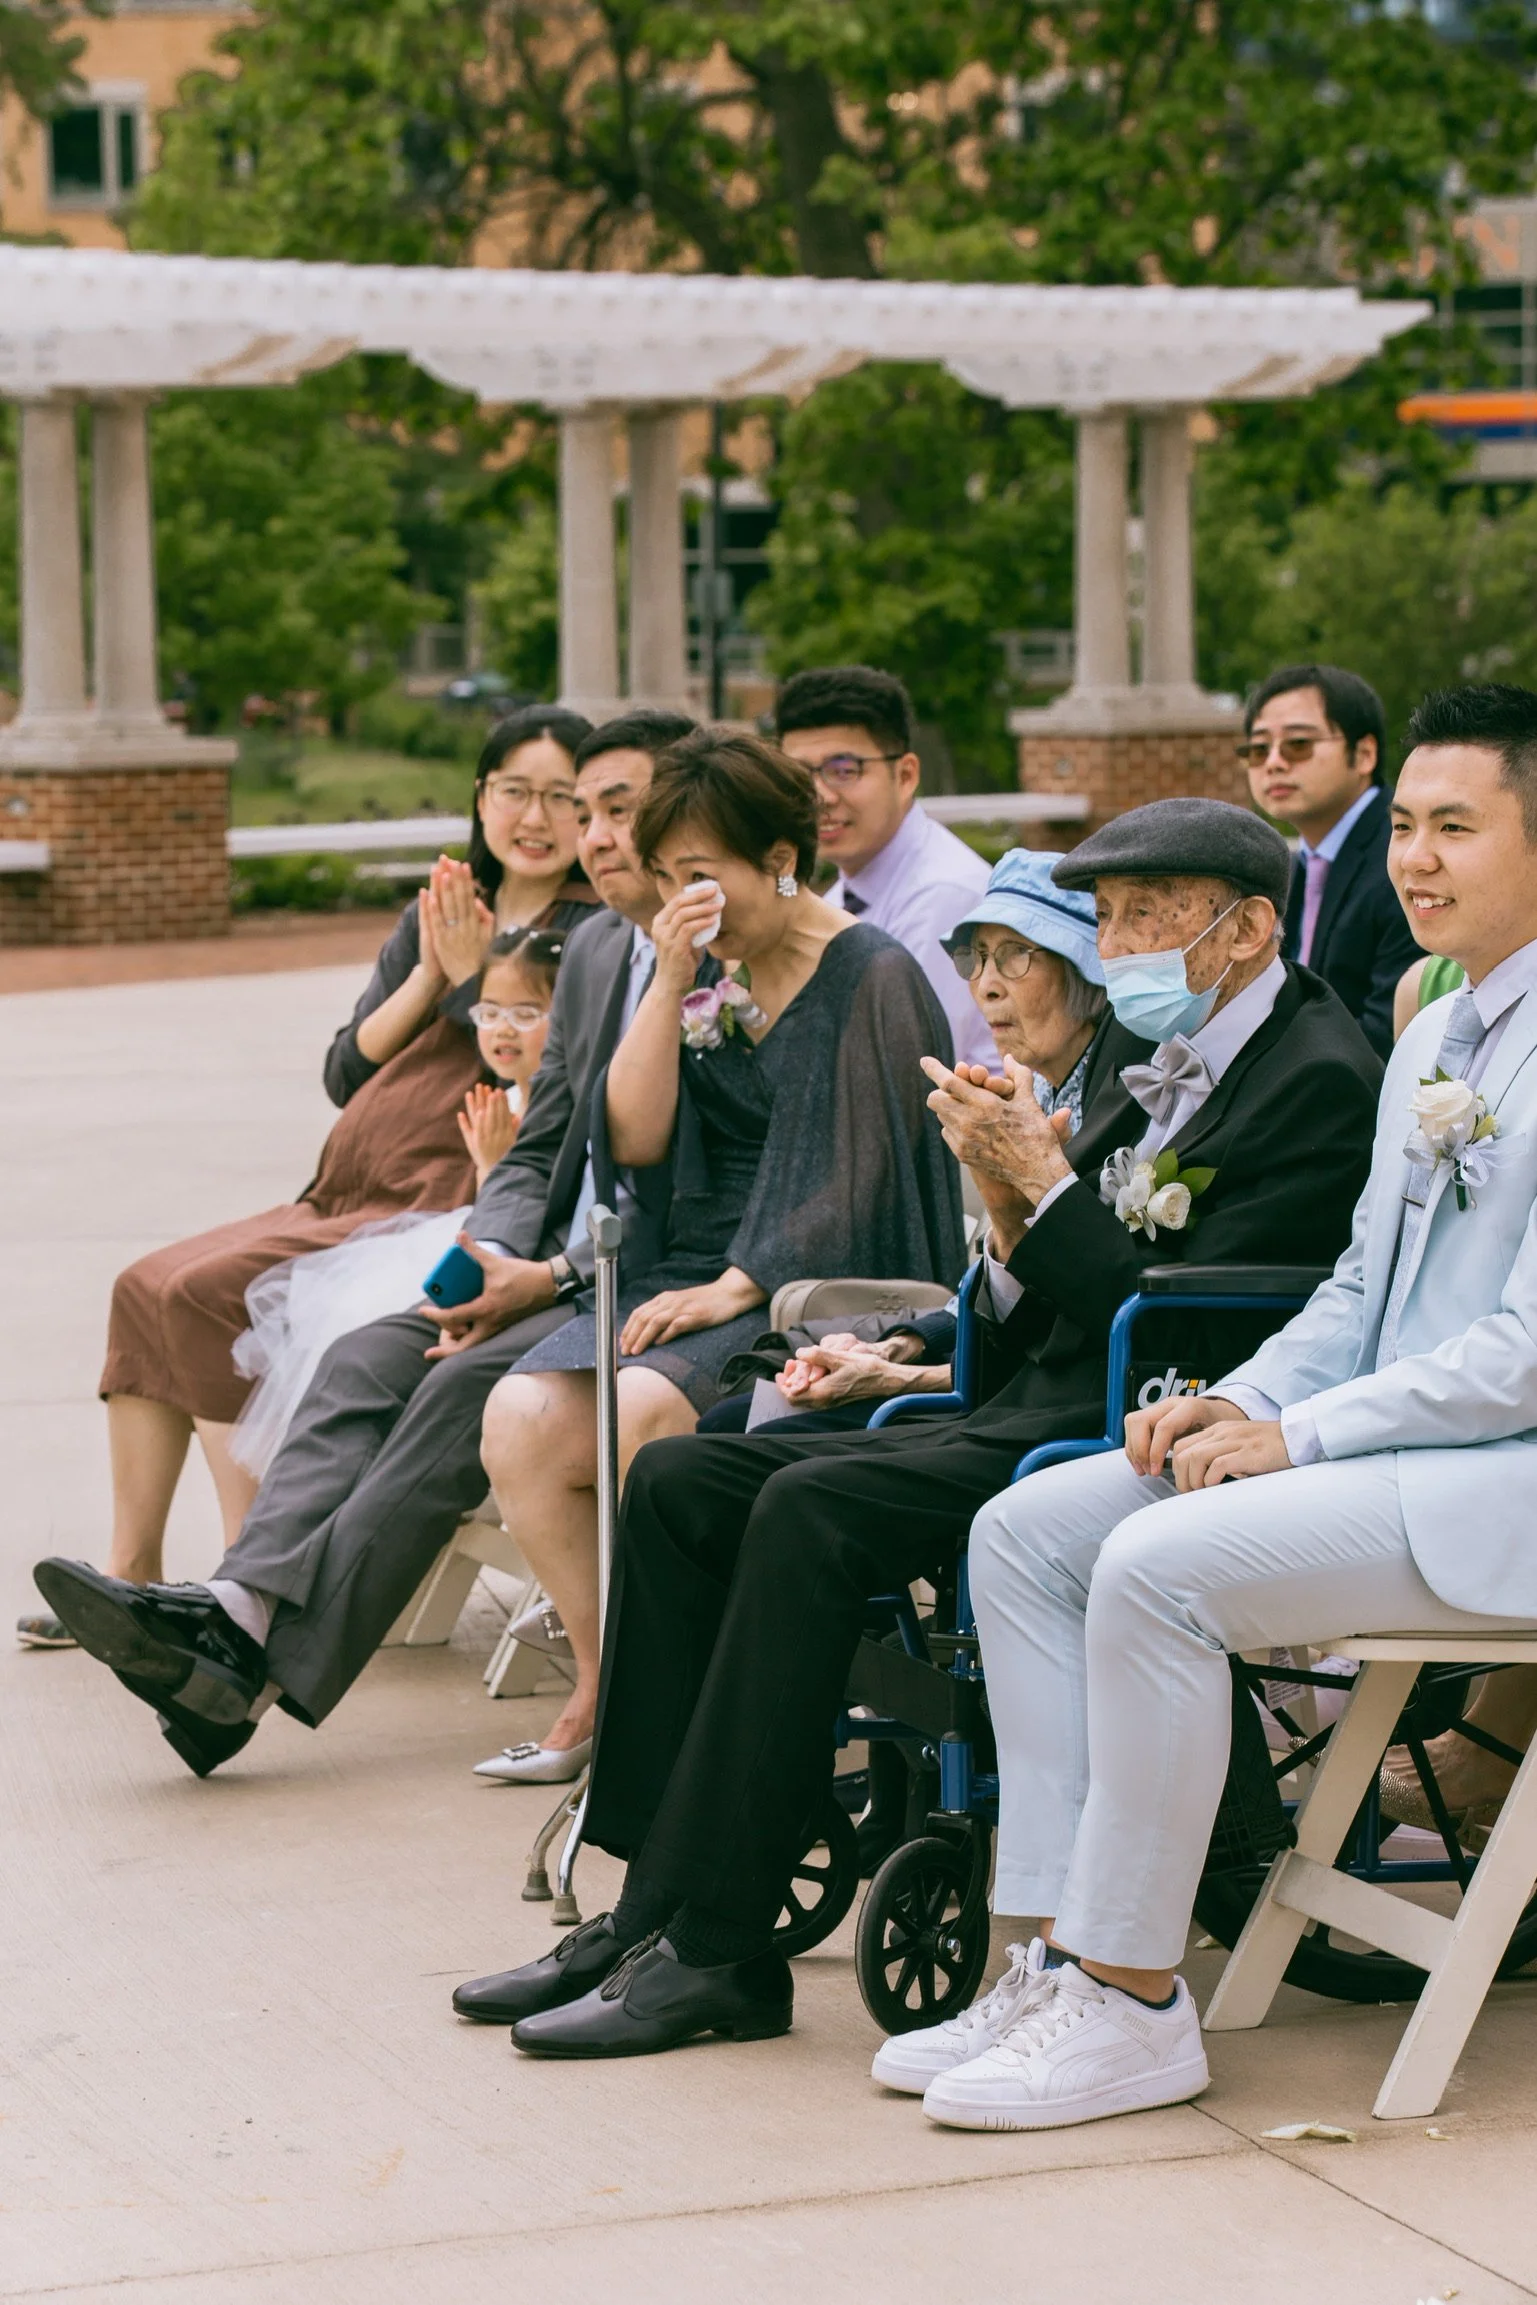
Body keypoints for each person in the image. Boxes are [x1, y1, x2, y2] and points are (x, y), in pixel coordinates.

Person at [455, 795, 1382, 2048]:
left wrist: (1040, 1185)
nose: (1115, 947)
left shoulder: (1315, 1076)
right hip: (1032, 1395)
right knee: (680, 1478)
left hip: (1139, 1425)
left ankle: (722, 1946)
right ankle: (648, 1900)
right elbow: (1041, 1284)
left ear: (1247, 928)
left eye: (1142, 918)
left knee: (808, 1505)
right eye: (1106, 919)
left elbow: (1191, 1334)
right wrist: (996, 1218)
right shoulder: (1148, 1050)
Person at [890, 680, 1537, 2137]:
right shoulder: (1434, 1036)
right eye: (1405, 827)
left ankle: (1133, 1997)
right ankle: (1045, 1952)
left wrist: (1294, 1436)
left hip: (1501, 1480)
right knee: (1027, 1530)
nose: (1413, 858)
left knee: (1156, 1566)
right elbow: (1359, 1291)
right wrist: (1233, 1398)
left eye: (1455, 827)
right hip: (1395, 1454)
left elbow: (1525, 1353)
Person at [30, 710, 692, 1771]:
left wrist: (538, 1274)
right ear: (479, 797)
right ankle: (231, 1609)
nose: (580, 828)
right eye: (568, 804)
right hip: (497, 1238)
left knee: (444, 1386)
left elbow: (646, 1178)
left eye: (604, 807)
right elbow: (517, 1146)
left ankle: (235, 1665)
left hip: (604, 1275)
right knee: (365, 1352)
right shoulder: (588, 944)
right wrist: (474, 1269)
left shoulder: (641, 948)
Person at [469, 726, 965, 1783]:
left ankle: (683, 1697)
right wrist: (667, 980)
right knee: (520, 1417)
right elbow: (635, 1135)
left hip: (823, 1284)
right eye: (663, 877)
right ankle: (608, 1679)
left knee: (642, 1408)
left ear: (779, 860)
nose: (677, 898)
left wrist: (736, 1284)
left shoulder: (872, 973)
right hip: (696, 1258)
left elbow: (862, 1179)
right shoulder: (706, 969)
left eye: (697, 874)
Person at [707, 846, 1107, 1437]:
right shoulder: (1035, 1091)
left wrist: (900, 1377)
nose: (986, 986)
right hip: (973, 1362)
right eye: (978, 958)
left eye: (1016, 955)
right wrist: (898, 1343)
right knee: (734, 1417)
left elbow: (1069, 1327)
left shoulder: (1121, 1097)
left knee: (751, 1441)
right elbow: (995, 1287)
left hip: (1040, 1406)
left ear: (1086, 968)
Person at [225, 926, 564, 1482]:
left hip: (514, 1264)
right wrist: (489, 1166)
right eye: (489, 1012)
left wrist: (494, 1165)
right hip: (463, 1237)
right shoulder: (498, 1100)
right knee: (348, 1330)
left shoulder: (562, 1109)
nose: (503, 1029)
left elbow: (529, 1216)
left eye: (526, 1014)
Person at [774, 665, 995, 1068]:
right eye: (799, 775)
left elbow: (909, 1068)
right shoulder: (842, 894)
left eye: (843, 771)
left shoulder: (945, 895)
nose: (819, 796)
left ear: (905, 775)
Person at [1241, 661, 1419, 1057]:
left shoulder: (1407, 855)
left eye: (1298, 744)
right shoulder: (1295, 864)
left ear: (1364, 754)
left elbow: (1389, 1035)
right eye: (1258, 749)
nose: (1273, 762)